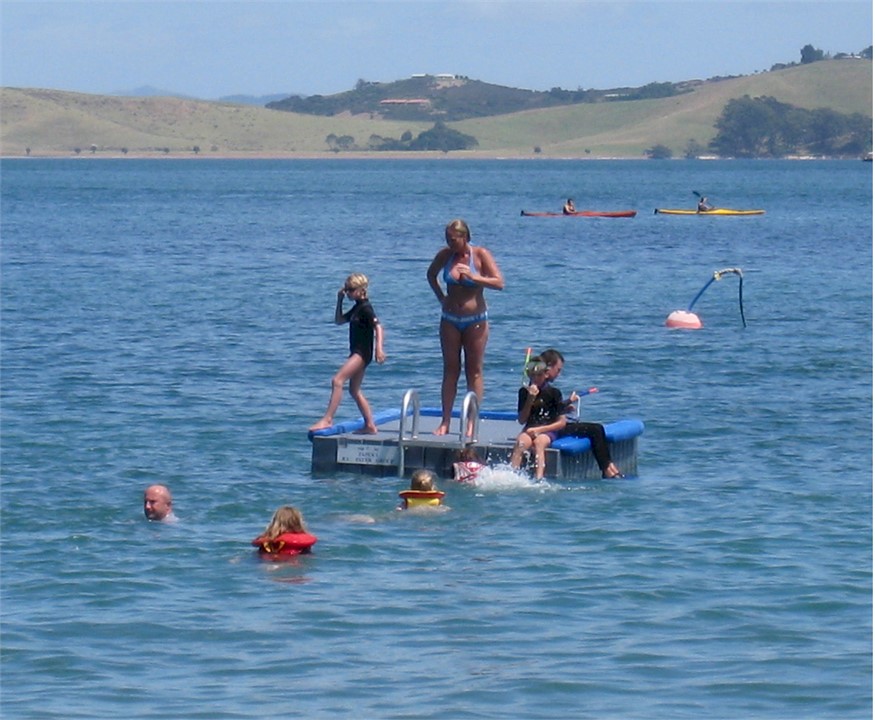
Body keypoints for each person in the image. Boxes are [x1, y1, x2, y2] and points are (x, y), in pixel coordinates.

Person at [426, 219, 504, 436]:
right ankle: (445, 422)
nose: (451, 243)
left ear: (465, 237)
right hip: (450, 318)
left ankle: (471, 422)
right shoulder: (445, 255)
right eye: (448, 239)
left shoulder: (480, 255)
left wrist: (474, 276)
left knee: (474, 371)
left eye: (454, 239)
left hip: (475, 319)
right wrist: (441, 297)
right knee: (450, 370)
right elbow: (430, 275)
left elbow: (499, 283)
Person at [309, 273, 386, 434]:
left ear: (361, 290)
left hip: (362, 353)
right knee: (354, 390)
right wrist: (340, 300)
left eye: (351, 290)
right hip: (356, 352)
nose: (348, 293)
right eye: (347, 290)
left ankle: (327, 419)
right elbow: (339, 320)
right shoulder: (357, 307)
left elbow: (378, 327)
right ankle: (370, 425)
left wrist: (379, 348)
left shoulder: (365, 308)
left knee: (337, 380)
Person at [541, 348, 623, 479]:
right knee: (595, 430)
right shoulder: (544, 387)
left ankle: (609, 467)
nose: (559, 374)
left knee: (597, 429)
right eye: (558, 370)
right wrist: (568, 401)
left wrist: (565, 408)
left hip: (551, 424)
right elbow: (542, 411)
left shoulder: (541, 385)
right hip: (551, 429)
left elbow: (548, 408)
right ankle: (607, 469)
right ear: (549, 367)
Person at [510, 355, 567, 480]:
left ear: (546, 374)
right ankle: (512, 476)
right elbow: (522, 420)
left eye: (539, 375)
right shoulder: (524, 392)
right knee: (521, 443)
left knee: (539, 443)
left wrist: (539, 430)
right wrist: (530, 399)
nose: (535, 379)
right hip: (530, 428)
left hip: (548, 430)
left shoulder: (554, 393)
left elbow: (562, 422)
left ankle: (539, 478)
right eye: (532, 375)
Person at [251, 505, 317, 558]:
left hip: (271, 562)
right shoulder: (302, 542)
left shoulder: (268, 541)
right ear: (298, 522)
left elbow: (259, 555)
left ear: (275, 522)